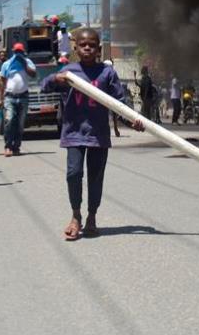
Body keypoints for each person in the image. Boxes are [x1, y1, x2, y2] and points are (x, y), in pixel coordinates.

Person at [42, 28, 144, 240]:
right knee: (73, 174)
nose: (87, 48)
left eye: (92, 45)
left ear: (99, 49)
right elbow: (45, 86)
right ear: (76, 48)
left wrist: (131, 121)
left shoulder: (107, 73)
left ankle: (92, 217)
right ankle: (75, 215)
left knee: (95, 178)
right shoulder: (69, 72)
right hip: (73, 133)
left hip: (98, 135)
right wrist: (56, 79)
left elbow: (119, 104)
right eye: (83, 45)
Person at [0, 42, 36, 157]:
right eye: (16, 52)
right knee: (9, 121)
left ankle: (16, 147)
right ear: (13, 52)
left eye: (20, 52)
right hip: (10, 97)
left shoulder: (28, 62)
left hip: (23, 96)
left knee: (20, 124)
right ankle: (8, 146)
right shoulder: (7, 64)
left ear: (23, 52)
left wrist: (23, 63)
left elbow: (33, 74)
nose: (18, 54)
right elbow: (2, 82)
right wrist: (0, 99)